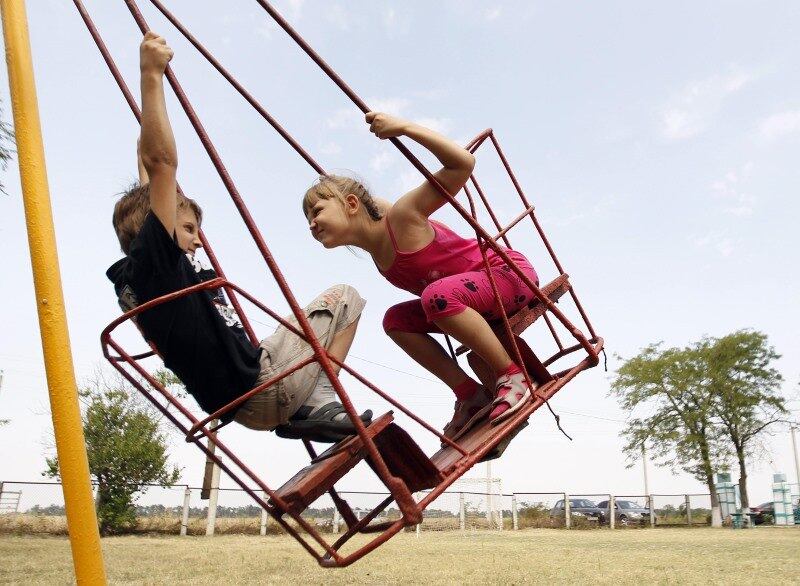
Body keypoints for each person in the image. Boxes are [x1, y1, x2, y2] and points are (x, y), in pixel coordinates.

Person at [107, 32, 371, 443]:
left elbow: (147, 171)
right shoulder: (155, 263)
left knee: (286, 331)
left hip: (245, 389)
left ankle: (309, 403)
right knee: (346, 297)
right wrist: (150, 76)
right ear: (154, 229)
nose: (198, 242)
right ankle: (318, 401)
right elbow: (160, 164)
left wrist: (147, 120)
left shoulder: (140, 280)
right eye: (190, 230)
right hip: (263, 390)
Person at [302, 112, 539, 442]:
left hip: (505, 277)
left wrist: (404, 128)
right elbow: (375, 207)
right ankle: (470, 394)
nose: (311, 223)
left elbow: (462, 165)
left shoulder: (404, 217)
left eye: (317, 211)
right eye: (307, 218)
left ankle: (512, 377)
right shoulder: (380, 255)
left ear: (352, 203)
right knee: (395, 320)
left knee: (436, 296)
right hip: (466, 299)